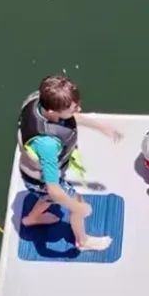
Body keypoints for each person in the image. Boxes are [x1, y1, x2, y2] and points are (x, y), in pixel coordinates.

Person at [18, 74, 123, 252]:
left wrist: (100, 127)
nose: (79, 109)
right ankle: (83, 241)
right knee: (74, 200)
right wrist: (78, 207)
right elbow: (53, 189)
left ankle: (32, 219)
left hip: (30, 170)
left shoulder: (37, 99)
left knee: (47, 199)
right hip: (41, 180)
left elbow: (68, 117)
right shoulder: (48, 144)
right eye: (73, 108)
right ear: (52, 112)